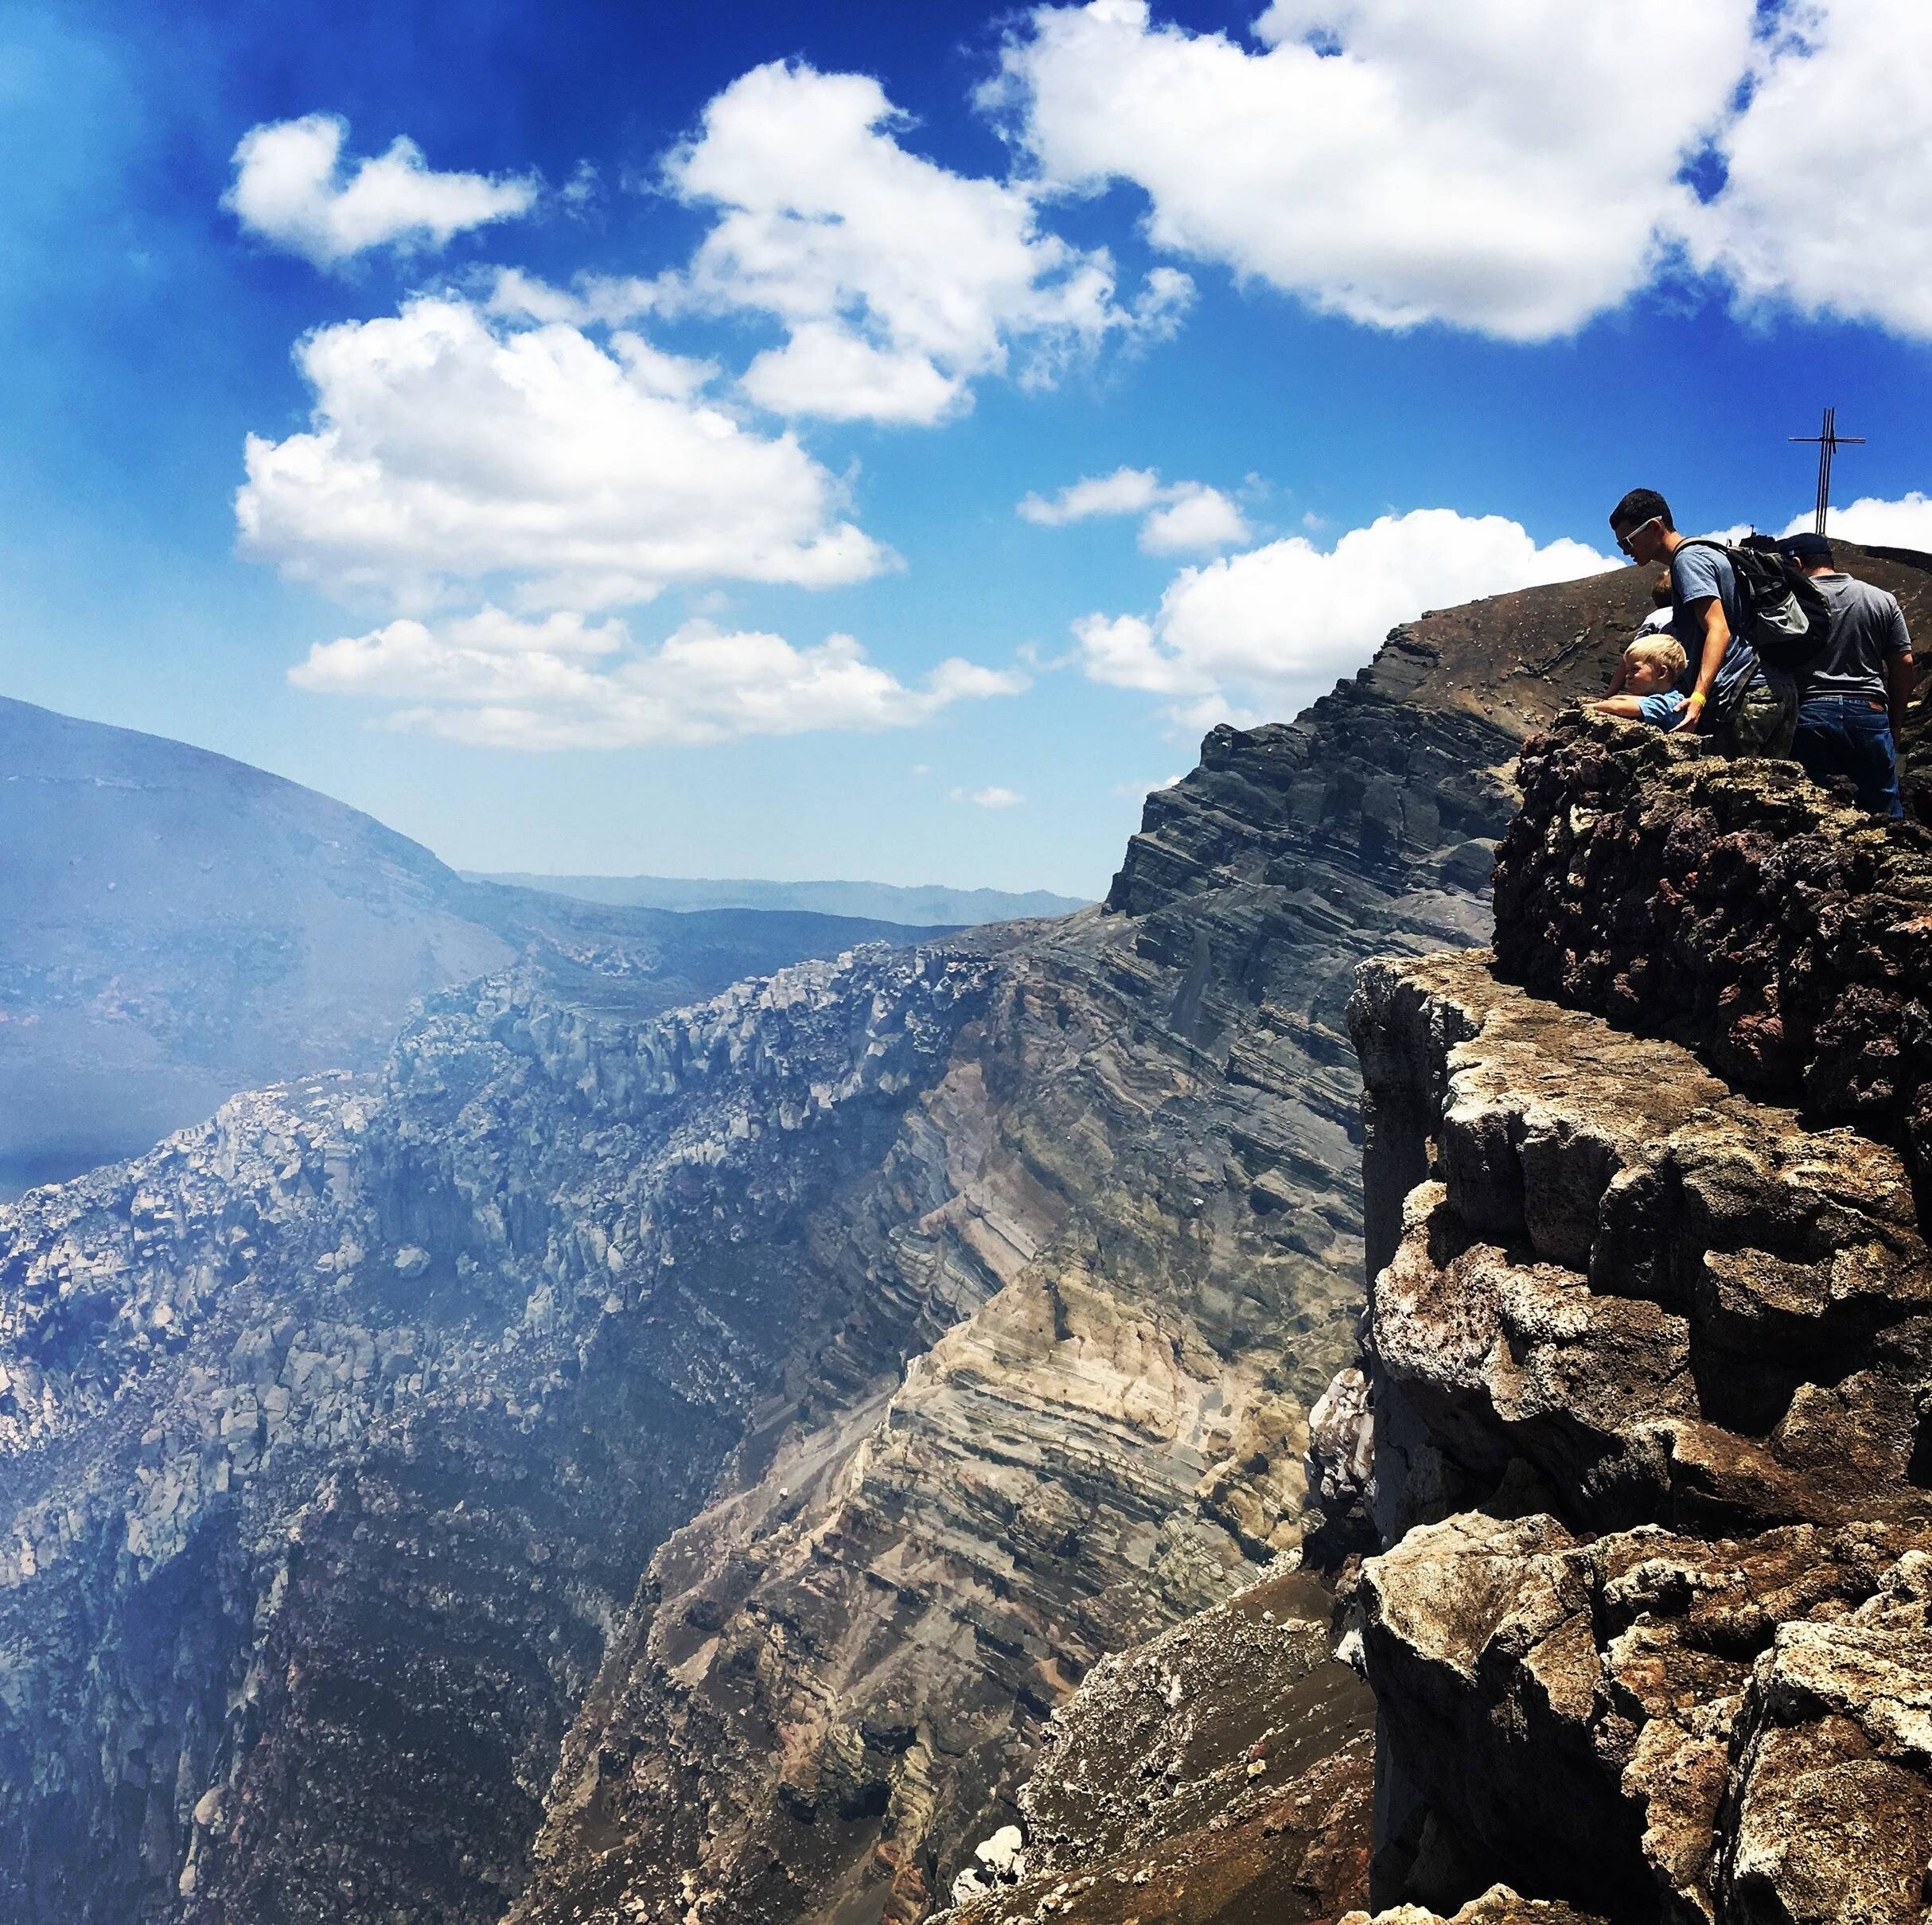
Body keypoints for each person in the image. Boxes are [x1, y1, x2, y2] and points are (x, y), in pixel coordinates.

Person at [1606, 489, 1797, 757]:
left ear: (1654, 526)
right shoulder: (1708, 552)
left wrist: (1698, 698)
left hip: (1745, 692)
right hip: (1773, 688)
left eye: (1627, 542)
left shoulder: (1688, 561)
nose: (1626, 551)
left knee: (1731, 788)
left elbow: (1718, 629)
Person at [1780, 531, 1915, 818]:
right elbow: (1904, 662)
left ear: (1796, 563)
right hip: (1870, 711)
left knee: (1814, 811)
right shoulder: (1882, 599)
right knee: (1884, 807)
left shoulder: (1792, 603)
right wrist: (1895, 723)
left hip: (1810, 711)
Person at [1591, 633, 1690, 728]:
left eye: (1635, 669)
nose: (1627, 676)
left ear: (1661, 673)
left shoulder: (1672, 703)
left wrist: (1588, 707)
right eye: (1627, 671)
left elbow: (1616, 707)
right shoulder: (1660, 698)